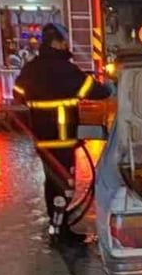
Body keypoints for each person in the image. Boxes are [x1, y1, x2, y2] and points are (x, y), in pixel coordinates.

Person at [12, 22, 110, 245]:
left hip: (43, 139)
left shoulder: (31, 68)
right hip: (62, 137)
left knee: (53, 183)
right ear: (57, 42)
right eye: (64, 41)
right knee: (64, 184)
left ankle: (58, 225)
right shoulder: (66, 69)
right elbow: (95, 91)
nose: (67, 45)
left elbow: (17, 93)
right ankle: (59, 232)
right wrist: (111, 88)